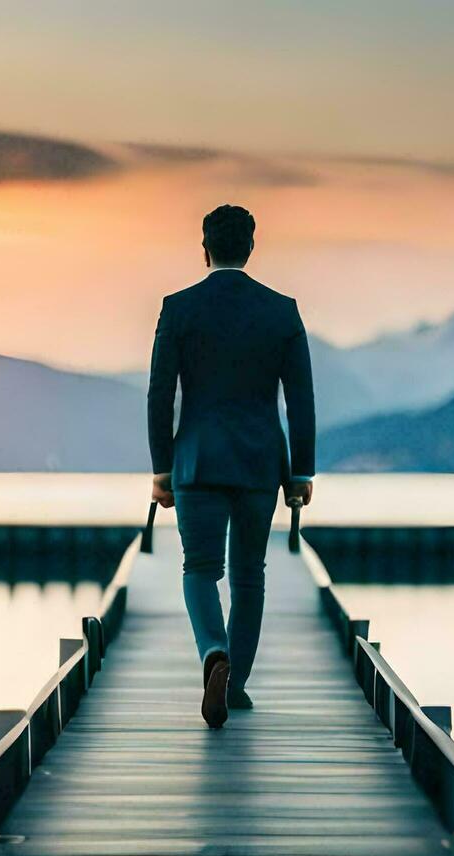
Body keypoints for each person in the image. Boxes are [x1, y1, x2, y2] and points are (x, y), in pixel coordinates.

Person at [146, 204, 316, 729]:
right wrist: (302, 472)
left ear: (204, 250)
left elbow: (159, 396)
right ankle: (234, 683)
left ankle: (212, 653)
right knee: (249, 577)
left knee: (199, 569)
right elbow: (300, 399)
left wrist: (161, 468)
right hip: (260, 463)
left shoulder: (178, 308)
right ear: (251, 248)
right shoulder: (281, 311)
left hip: (196, 461)